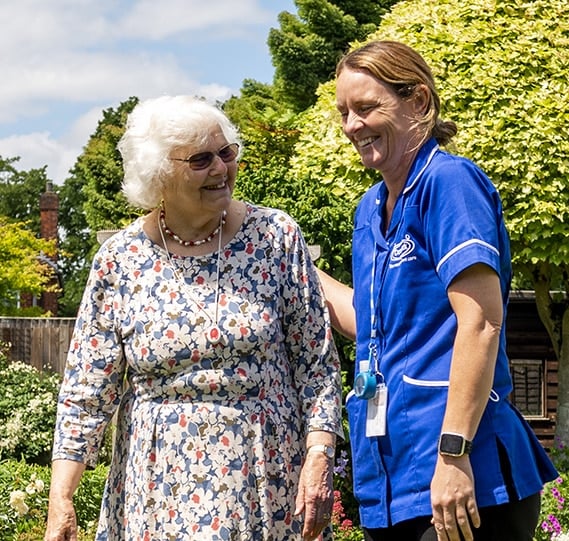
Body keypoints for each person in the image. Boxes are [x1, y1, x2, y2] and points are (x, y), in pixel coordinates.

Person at [44, 95, 343, 541]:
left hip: (264, 475)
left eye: (226, 152)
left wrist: (319, 455)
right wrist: (61, 500)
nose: (221, 169)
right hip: (154, 485)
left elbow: (316, 366)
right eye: (201, 160)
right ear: (159, 173)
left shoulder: (277, 238)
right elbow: (86, 390)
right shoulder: (119, 260)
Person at [316, 40, 558, 541]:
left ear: (419, 102)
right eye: (343, 112)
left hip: (462, 475)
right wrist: (293, 259)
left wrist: (453, 456)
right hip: (395, 477)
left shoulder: (448, 183)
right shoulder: (370, 210)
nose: (350, 126)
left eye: (365, 108)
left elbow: (481, 321)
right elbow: (375, 326)